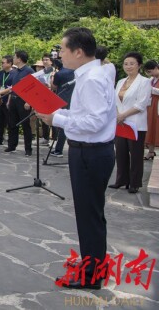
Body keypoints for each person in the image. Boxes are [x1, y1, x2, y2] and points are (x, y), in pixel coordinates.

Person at [37, 27, 116, 290]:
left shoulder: (92, 78)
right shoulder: (92, 73)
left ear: (78, 52)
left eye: (62, 49)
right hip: (89, 151)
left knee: (89, 214)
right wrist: (60, 115)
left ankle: (92, 275)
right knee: (90, 212)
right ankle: (92, 263)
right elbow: (87, 114)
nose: (59, 54)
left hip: (91, 153)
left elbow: (94, 122)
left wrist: (56, 118)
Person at [109, 52, 151, 194]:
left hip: (135, 123)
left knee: (136, 154)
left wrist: (123, 115)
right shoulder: (121, 81)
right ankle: (121, 180)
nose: (128, 66)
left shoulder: (144, 82)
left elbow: (141, 104)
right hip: (120, 123)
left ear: (139, 65)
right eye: (126, 63)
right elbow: (115, 101)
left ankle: (134, 183)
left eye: (132, 63)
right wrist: (117, 116)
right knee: (120, 153)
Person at [6, 50, 35, 156]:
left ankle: (28, 149)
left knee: (25, 124)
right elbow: (12, 88)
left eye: (15, 57)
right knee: (12, 123)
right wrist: (9, 100)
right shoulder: (15, 71)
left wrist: (29, 101)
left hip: (23, 101)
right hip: (13, 99)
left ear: (19, 59)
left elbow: (32, 87)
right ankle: (12, 145)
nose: (13, 59)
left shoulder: (29, 71)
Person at [0, 55, 15, 146]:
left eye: (3, 62)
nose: (2, 64)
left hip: (8, 100)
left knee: (10, 121)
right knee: (0, 120)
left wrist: (1, 92)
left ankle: (11, 141)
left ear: (9, 63)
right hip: (0, 100)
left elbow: (13, 88)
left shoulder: (14, 73)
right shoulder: (0, 73)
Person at [143, 60, 159, 160]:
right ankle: (151, 152)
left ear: (156, 68)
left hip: (157, 106)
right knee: (152, 128)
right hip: (151, 106)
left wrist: (151, 89)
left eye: (150, 71)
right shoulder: (152, 79)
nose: (150, 74)